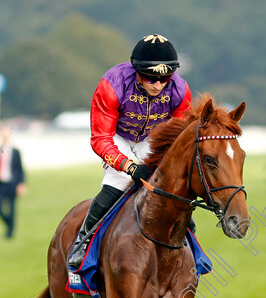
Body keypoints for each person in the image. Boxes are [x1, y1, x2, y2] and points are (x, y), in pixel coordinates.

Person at [67, 34, 193, 269]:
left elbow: (180, 137)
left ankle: (190, 238)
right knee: (121, 178)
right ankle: (83, 241)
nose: (158, 85)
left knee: (171, 180)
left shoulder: (180, 89)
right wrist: (130, 166)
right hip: (117, 135)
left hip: (153, 137)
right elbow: (100, 137)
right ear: (137, 71)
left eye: (165, 78)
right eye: (151, 78)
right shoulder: (112, 84)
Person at [0, 127, 26, 239]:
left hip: (12, 183)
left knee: (11, 208)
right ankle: (9, 224)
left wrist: (21, 184)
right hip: (0, 183)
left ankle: (10, 232)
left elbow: (20, 169)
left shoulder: (15, 152)